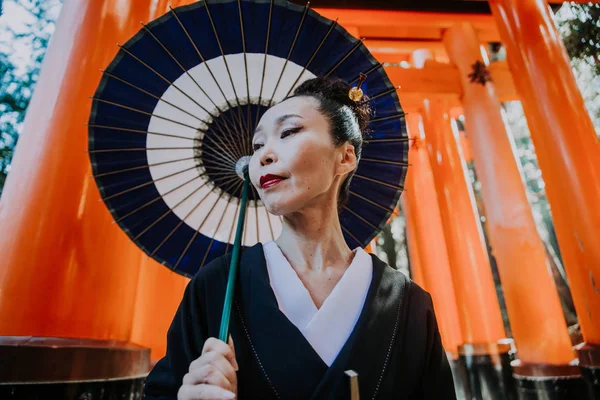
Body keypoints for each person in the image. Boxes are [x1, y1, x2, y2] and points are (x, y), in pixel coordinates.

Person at [143, 76, 456, 400]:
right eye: (257, 146)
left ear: (345, 157)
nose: (261, 157)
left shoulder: (408, 303)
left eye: (289, 132)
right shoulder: (216, 287)